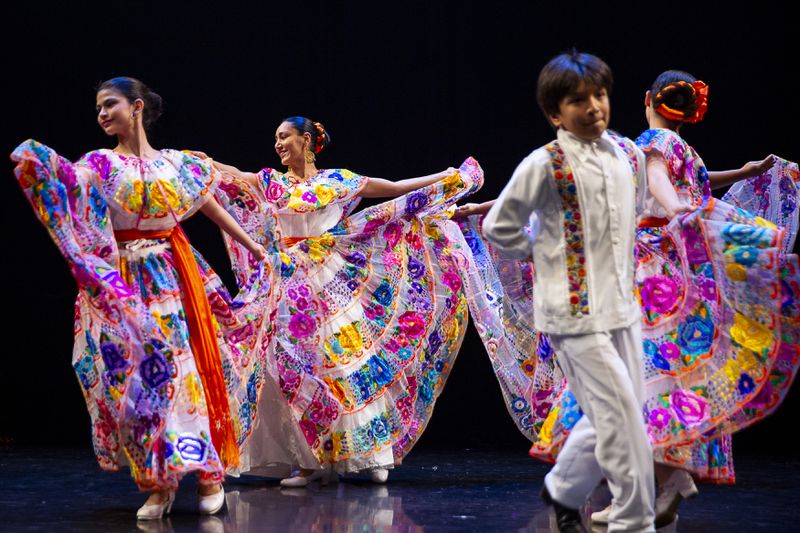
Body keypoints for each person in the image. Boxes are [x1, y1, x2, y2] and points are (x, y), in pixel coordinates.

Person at [532, 70, 800, 528]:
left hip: (651, 273)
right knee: (673, 376)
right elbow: (689, 177)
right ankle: (670, 475)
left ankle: (652, 484)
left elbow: (657, 177)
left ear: (647, 100)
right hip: (681, 272)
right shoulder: (685, 149)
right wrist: (741, 173)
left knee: (640, 380)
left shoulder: (652, 141)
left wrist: (674, 209)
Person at [10, 77, 275, 520]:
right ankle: (160, 481)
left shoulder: (176, 164)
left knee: (182, 372)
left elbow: (210, 205)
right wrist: (44, 166)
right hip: (122, 285)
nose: (101, 114)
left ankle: (208, 474)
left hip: (172, 278)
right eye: (97, 107)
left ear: (135, 107)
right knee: (138, 385)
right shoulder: (98, 164)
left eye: (108, 104)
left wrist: (255, 247)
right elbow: (72, 192)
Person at [199, 116, 483, 486]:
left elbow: (394, 188)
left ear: (306, 140)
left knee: (345, 360)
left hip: (332, 276)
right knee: (293, 365)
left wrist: (443, 177)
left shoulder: (338, 180)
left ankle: (370, 452)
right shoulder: (271, 181)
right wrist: (200, 162)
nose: (278, 144)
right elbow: (231, 173)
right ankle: (309, 460)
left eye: (284, 136)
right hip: (287, 280)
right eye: (275, 139)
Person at [482, 51, 668, 533]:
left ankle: (564, 487)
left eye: (600, 95)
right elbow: (498, 227)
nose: (593, 107)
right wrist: (546, 255)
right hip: (573, 314)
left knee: (625, 408)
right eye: (578, 100)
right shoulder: (543, 164)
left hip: (622, 307)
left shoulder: (626, 155)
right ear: (554, 113)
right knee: (623, 416)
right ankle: (633, 520)